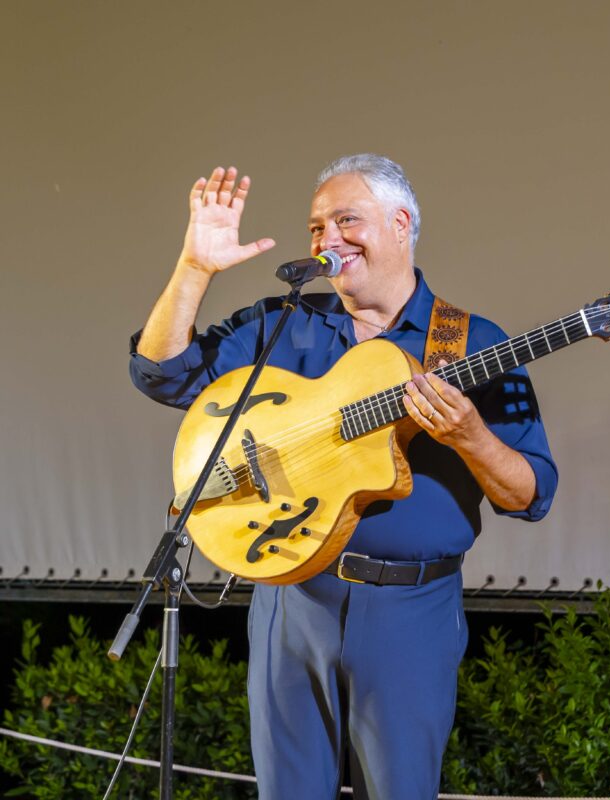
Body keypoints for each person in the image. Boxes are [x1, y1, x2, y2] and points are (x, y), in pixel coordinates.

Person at [129, 154, 557, 800]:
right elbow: (163, 374)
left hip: (410, 609)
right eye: (316, 227)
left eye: (346, 220)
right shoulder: (283, 323)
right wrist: (194, 267)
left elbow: (529, 495)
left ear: (401, 224)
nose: (327, 238)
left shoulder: (470, 343)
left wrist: (471, 436)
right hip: (292, 597)